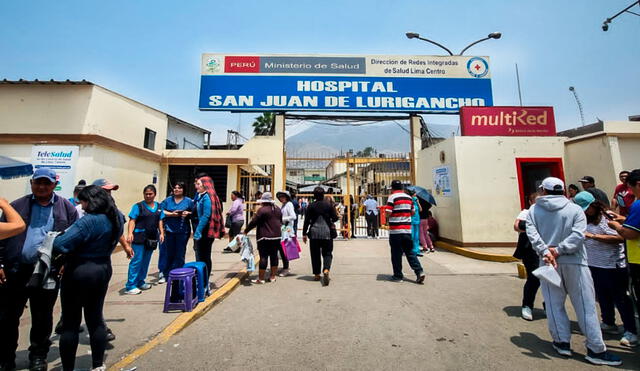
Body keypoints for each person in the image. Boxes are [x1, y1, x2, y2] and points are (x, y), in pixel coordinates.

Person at [526, 177, 621, 365]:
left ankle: (562, 342)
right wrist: (560, 250)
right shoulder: (575, 209)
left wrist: (547, 251)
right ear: (562, 190)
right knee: (585, 307)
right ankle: (595, 349)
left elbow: (533, 235)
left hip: (548, 263)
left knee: (554, 304)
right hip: (575, 261)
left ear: (543, 190)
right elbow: (578, 235)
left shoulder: (534, 210)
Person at [0, 168, 78, 371]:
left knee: (42, 317)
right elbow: (2, 237)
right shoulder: (16, 206)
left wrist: (65, 262)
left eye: (47, 183)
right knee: (7, 317)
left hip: (46, 272)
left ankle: (38, 356)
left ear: (54, 184)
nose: (42, 187)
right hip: (16, 270)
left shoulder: (66, 208)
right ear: (32, 183)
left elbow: (74, 239)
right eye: (38, 182)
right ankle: (6, 357)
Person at [52, 185, 124, 371]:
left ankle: (68, 367)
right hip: (102, 268)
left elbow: (61, 244)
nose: (81, 206)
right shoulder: (116, 218)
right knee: (95, 319)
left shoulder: (89, 221)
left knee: (70, 323)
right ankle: (98, 365)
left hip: (80, 270)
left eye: (82, 201)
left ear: (91, 201)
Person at [574, 191, 637, 347]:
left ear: (595, 204)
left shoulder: (606, 217)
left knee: (620, 298)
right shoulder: (583, 218)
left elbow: (621, 237)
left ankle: (631, 330)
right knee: (602, 296)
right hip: (594, 264)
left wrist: (593, 237)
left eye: (587, 208)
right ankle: (609, 322)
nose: (585, 211)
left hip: (612, 265)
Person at [607, 169, 640, 319]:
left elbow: (630, 234)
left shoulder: (638, 205)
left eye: (631, 188)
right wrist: (622, 218)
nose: (630, 193)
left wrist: (616, 226)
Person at [125, 185, 165, 295]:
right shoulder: (138, 206)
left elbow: (160, 221)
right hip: (139, 237)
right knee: (136, 260)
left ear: (154, 194)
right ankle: (130, 285)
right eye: (146, 194)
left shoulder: (159, 207)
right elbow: (132, 220)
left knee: (145, 261)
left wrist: (161, 233)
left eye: (150, 194)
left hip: (151, 238)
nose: (148, 196)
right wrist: (129, 233)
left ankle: (140, 281)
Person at [385, 180, 425, 284]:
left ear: (392, 188)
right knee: (410, 252)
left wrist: (389, 215)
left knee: (396, 254)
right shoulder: (409, 198)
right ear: (402, 187)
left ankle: (398, 276)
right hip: (407, 230)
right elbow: (412, 212)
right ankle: (419, 271)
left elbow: (388, 213)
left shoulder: (392, 197)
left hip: (395, 231)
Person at [302, 187, 339, 285]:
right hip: (327, 233)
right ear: (323, 194)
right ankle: (326, 270)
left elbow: (306, 221)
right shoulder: (329, 205)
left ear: (314, 195)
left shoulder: (311, 206)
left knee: (315, 254)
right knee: (327, 253)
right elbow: (335, 218)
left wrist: (304, 234)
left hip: (314, 233)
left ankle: (317, 274)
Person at [159, 182, 194, 283]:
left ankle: (179, 274)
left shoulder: (188, 201)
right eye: (175, 188)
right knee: (169, 253)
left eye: (179, 188)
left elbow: (194, 212)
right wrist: (171, 214)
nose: (177, 189)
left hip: (183, 231)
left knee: (180, 253)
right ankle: (166, 274)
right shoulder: (167, 200)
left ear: (183, 190)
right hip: (169, 230)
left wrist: (187, 213)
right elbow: (160, 211)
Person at [513, 193, 540, 321]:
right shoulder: (526, 213)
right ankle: (527, 305)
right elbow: (517, 226)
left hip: (549, 250)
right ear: (530, 202)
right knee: (534, 278)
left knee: (552, 281)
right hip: (531, 251)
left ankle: (550, 305)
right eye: (536, 201)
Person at [244, 192, 282, 284]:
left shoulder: (262, 210)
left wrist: (246, 231)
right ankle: (272, 277)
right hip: (277, 236)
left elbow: (254, 222)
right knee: (274, 256)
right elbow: (280, 221)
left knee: (263, 257)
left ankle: (261, 278)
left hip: (264, 237)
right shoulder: (277, 209)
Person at [193, 176, 224, 279]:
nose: (196, 186)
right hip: (203, 230)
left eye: (199, 184)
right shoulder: (201, 196)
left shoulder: (206, 197)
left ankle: (204, 281)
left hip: (205, 231)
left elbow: (206, 215)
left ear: (205, 186)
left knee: (203, 256)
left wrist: (198, 230)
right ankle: (202, 279)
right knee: (202, 256)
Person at [276, 191, 294, 277]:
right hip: (284, 229)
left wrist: (283, 219)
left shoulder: (289, 204)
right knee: (282, 248)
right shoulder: (284, 205)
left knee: (284, 249)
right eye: (280, 197)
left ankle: (286, 268)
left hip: (287, 229)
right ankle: (285, 267)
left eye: (283, 197)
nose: (281, 198)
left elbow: (293, 216)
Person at [407, 190, 422, 257]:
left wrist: (418, 202)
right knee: (412, 236)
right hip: (411, 221)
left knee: (416, 237)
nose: (416, 197)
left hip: (417, 220)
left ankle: (417, 250)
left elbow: (421, 210)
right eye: (415, 195)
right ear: (412, 196)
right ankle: (411, 250)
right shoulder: (410, 202)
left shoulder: (416, 202)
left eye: (416, 196)